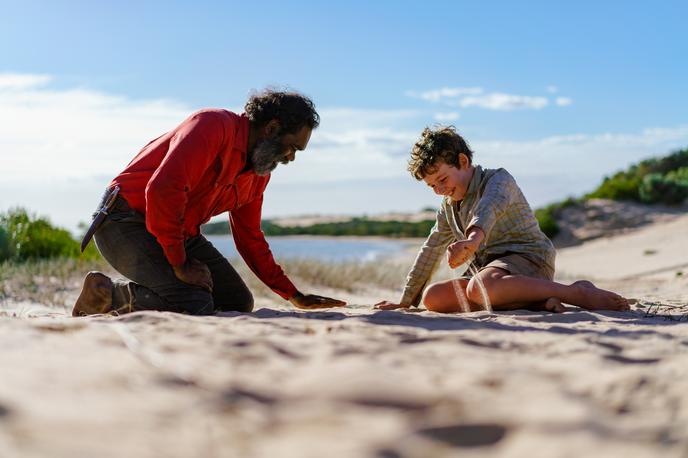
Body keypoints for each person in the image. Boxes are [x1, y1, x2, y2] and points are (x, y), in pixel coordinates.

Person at [73, 89, 346, 316]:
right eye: (292, 147)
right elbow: (162, 190)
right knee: (194, 303)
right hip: (124, 222)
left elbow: (250, 238)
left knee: (238, 302)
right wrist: (180, 264)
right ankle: (104, 292)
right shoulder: (212, 125)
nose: (290, 158)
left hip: (178, 233)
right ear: (271, 128)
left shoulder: (258, 175)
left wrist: (293, 294)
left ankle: (134, 294)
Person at [375, 126, 629, 313]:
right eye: (432, 186)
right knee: (434, 298)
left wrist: (472, 240)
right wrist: (406, 300)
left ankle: (575, 292)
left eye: (442, 180)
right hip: (487, 271)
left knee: (479, 288)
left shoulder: (498, 180)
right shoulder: (448, 206)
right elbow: (431, 249)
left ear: (463, 162)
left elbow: (488, 209)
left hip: (528, 259)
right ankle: (538, 303)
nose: (439, 190)